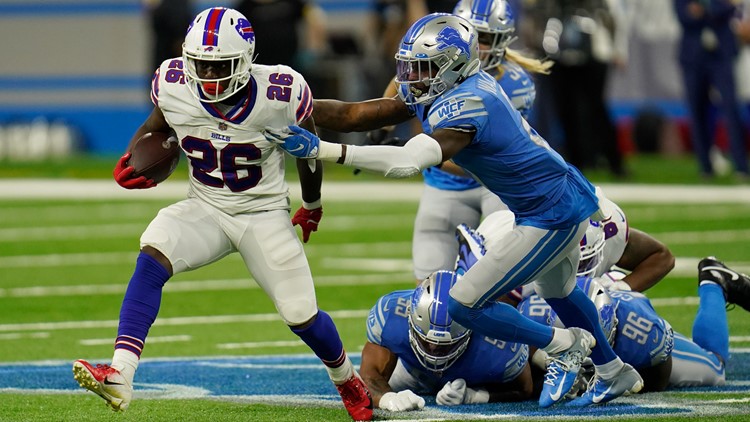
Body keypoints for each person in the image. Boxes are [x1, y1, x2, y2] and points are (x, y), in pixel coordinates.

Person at [264, 12, 643, 407]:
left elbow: (408, 160)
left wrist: (322, 150)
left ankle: (564, 344)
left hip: (550, 212)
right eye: (410, 66)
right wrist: (293, 103)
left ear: (454, 66)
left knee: (462, 304)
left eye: (422, 67)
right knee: (559, 291)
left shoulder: (470, 102)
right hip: (554, 200)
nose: (412, 77)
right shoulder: (447, 87)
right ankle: (614, 371)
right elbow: (357, 114)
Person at [70, 8, 372, 421]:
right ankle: (120, 374)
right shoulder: (174, 82)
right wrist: (133, 155)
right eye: (201, 64)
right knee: (154, 250)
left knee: (301, 314)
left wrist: (313, 203)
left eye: (219, 65)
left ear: (246, 61)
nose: (208, 75)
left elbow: (309, 151)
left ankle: (348, 380)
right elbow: (156, 125)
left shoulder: (279, 92)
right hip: (206, 206)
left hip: (262, 213)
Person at [518, 256, 750, 393]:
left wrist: (627, 382)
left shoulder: (634, 326)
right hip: (579, 299)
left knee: (715, 370)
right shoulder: (532, 311)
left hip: (618, 313)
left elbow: (659, 375)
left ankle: (713, 281)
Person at [360, 271, 533, 412]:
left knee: (540, 362)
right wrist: (388, 398)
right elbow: (369, 375)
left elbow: (524, 388)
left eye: (445, 345)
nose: (433, 350)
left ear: (469, 330)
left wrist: (474, 396)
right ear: (410, 320)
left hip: (474, 380)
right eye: (426, 340)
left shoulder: (500, 341)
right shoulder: (392, 314)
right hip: (411, 372)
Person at [673, 0, 749, 180]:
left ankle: (741, 166)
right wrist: (714, 10)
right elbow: (684, 16)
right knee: (697, 111)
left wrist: (704, 9)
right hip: (694, 57)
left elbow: (731, 9)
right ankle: (706, 167)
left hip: (721, 54)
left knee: (731, 108)